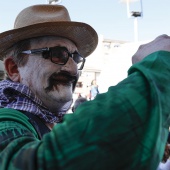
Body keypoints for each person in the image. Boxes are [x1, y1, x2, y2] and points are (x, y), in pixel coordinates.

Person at [0, 4, 170, 170]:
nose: (73, 69)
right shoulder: (5, 120)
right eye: (57, 54)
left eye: (76, 58)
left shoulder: (53, 123)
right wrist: (156, 68)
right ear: (14, 68)